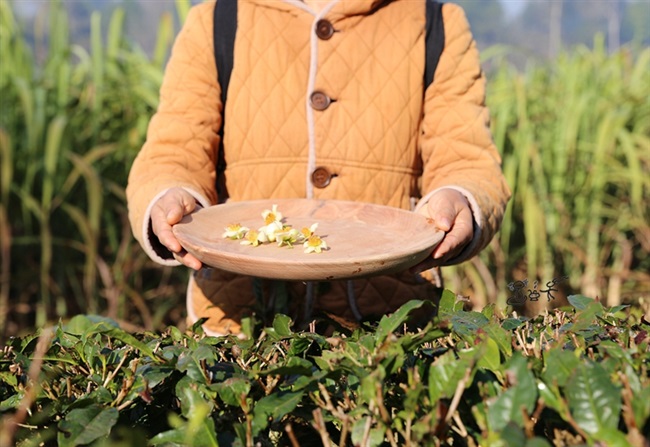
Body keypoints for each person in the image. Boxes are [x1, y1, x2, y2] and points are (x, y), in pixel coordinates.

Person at [126, 0, 511, 336]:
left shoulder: (435, 22)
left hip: (388, 323)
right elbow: (173, 149)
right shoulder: (216, 20)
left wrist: (459, 197)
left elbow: (466, 156)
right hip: (239, 325)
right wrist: (168, 195)